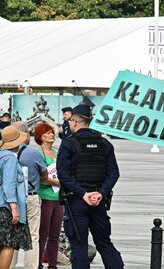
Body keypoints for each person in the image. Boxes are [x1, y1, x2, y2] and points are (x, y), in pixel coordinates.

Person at [56, 104, 124, 269]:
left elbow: (63, 174)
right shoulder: (104, 143)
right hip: (98, 201)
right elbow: (113, 173)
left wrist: (82, 193)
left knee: (79, 247)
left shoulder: (68, 144)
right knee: (104, 244)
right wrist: (100, 193)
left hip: (77, 201)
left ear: (74, 122)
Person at [9, 122, 49, 269]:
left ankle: (8, 266)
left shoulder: (4, 153)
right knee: (33, 235)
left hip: (10, 200)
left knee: (11, 236)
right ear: (25, 135)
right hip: (30, 197)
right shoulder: (33, 153)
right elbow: (44, 176)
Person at [0, 125, 32, 268]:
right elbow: (9, 185)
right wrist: (14, 207)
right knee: (9, 243)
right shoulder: (9, 159)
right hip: (5, 207)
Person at [34, 123, 64, 269]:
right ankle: (38, 264)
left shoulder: (58, 153)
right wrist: (60, 183)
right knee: (42, 235)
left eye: (52, 132)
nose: (52, 135)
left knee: (55, 235)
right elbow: (41, 178)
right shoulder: (38, 153)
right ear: (40, 137)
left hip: (59, 199)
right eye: (48, 133)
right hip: (44, 198)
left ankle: (53, 265)